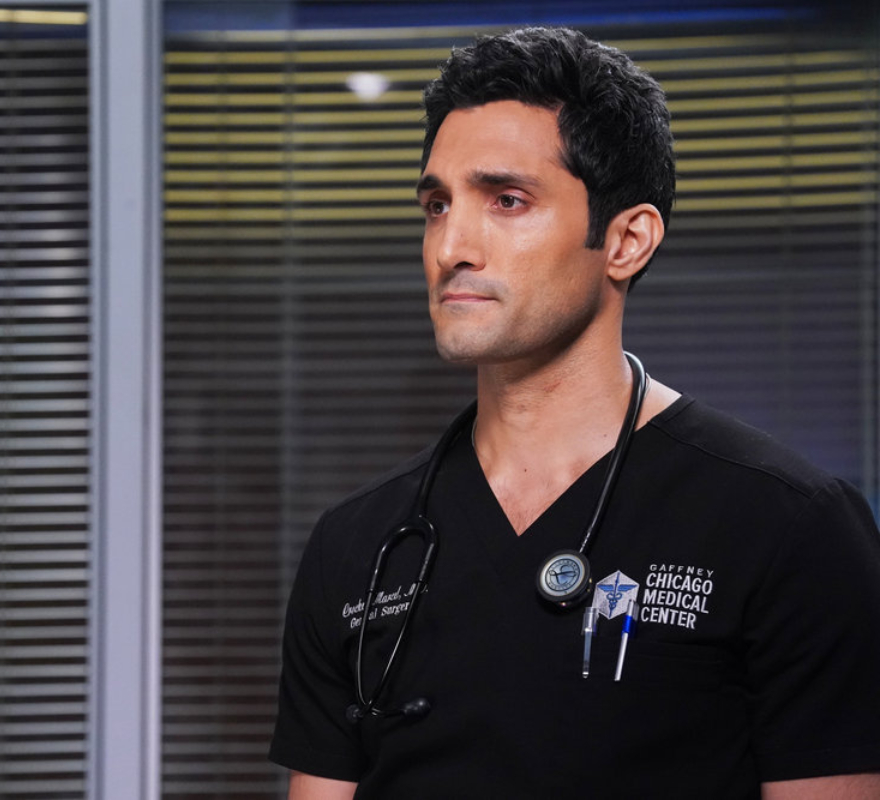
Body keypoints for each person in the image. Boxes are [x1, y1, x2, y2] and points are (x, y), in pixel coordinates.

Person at [268, 26, 880, 799]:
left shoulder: (789, 528)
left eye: (507, 201)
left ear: (626, 241)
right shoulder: (356, 547)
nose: (451, 246)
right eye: (437, 205)